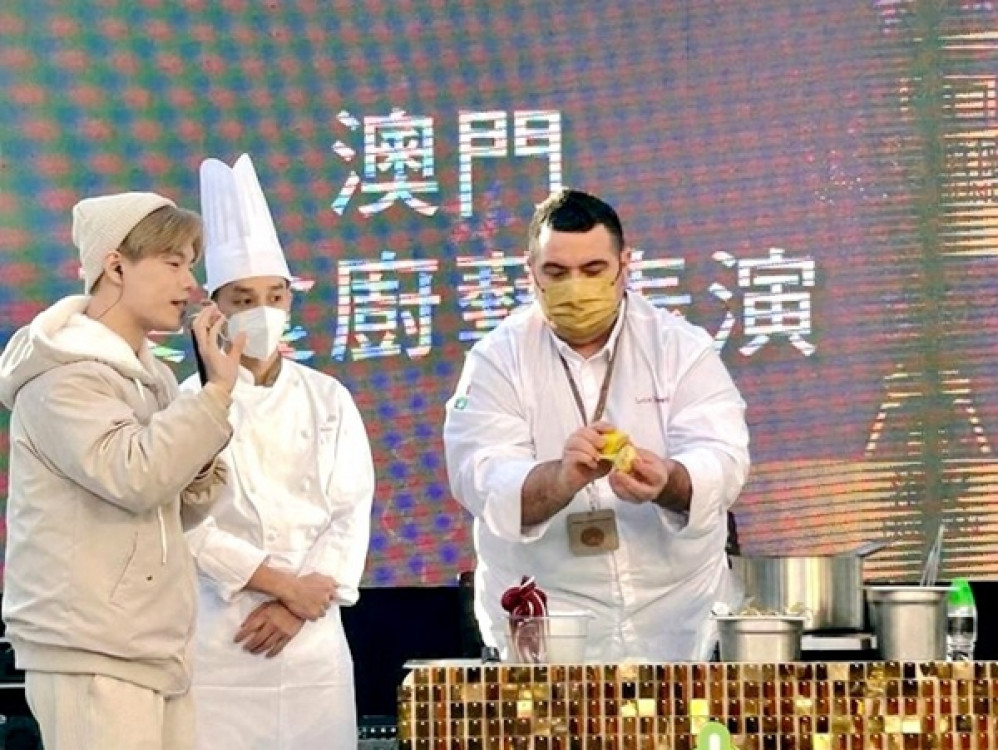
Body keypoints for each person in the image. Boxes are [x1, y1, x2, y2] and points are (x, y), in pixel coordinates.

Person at [443, 188, 751, 662]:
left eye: (593, 270)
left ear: (625, 265)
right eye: (556, 273)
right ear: (531, 271)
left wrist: (669, 480)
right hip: (548, 619)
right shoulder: (497, 359)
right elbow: (480, 477)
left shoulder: (680, 347)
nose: (576, 288)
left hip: (678, 615)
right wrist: (560, 479)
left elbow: (724, 459)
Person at [0, 191, 243, 750]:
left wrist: (202, 429)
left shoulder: (151, 379)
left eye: (191, 265)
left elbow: (181, 507)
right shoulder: (64, 376)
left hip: (147, 642)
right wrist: (214, 397)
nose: (190, 284)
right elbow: (134, 476)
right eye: (174, 263)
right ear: (115, 266)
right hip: (91, 645)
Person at [180, 153, 375, 749]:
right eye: (243, 299)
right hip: (222, 634)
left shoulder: (327, 396)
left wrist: (298, 602)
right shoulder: (187, 402)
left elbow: (351, 511)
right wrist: (274, 582)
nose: (262, 312)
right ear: (215, 308)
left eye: (275, 296)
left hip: (312, 634)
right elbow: (184, 523)